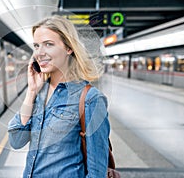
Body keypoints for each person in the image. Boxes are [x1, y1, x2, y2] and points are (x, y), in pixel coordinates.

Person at [8, 15, 110, 177]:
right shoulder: (39, 93)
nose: (39, 53)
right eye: (36, 46)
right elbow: (17, 140)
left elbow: (97, 171)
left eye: (48, 44)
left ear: (69, 48)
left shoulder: (90, 99)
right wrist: (31, 92)